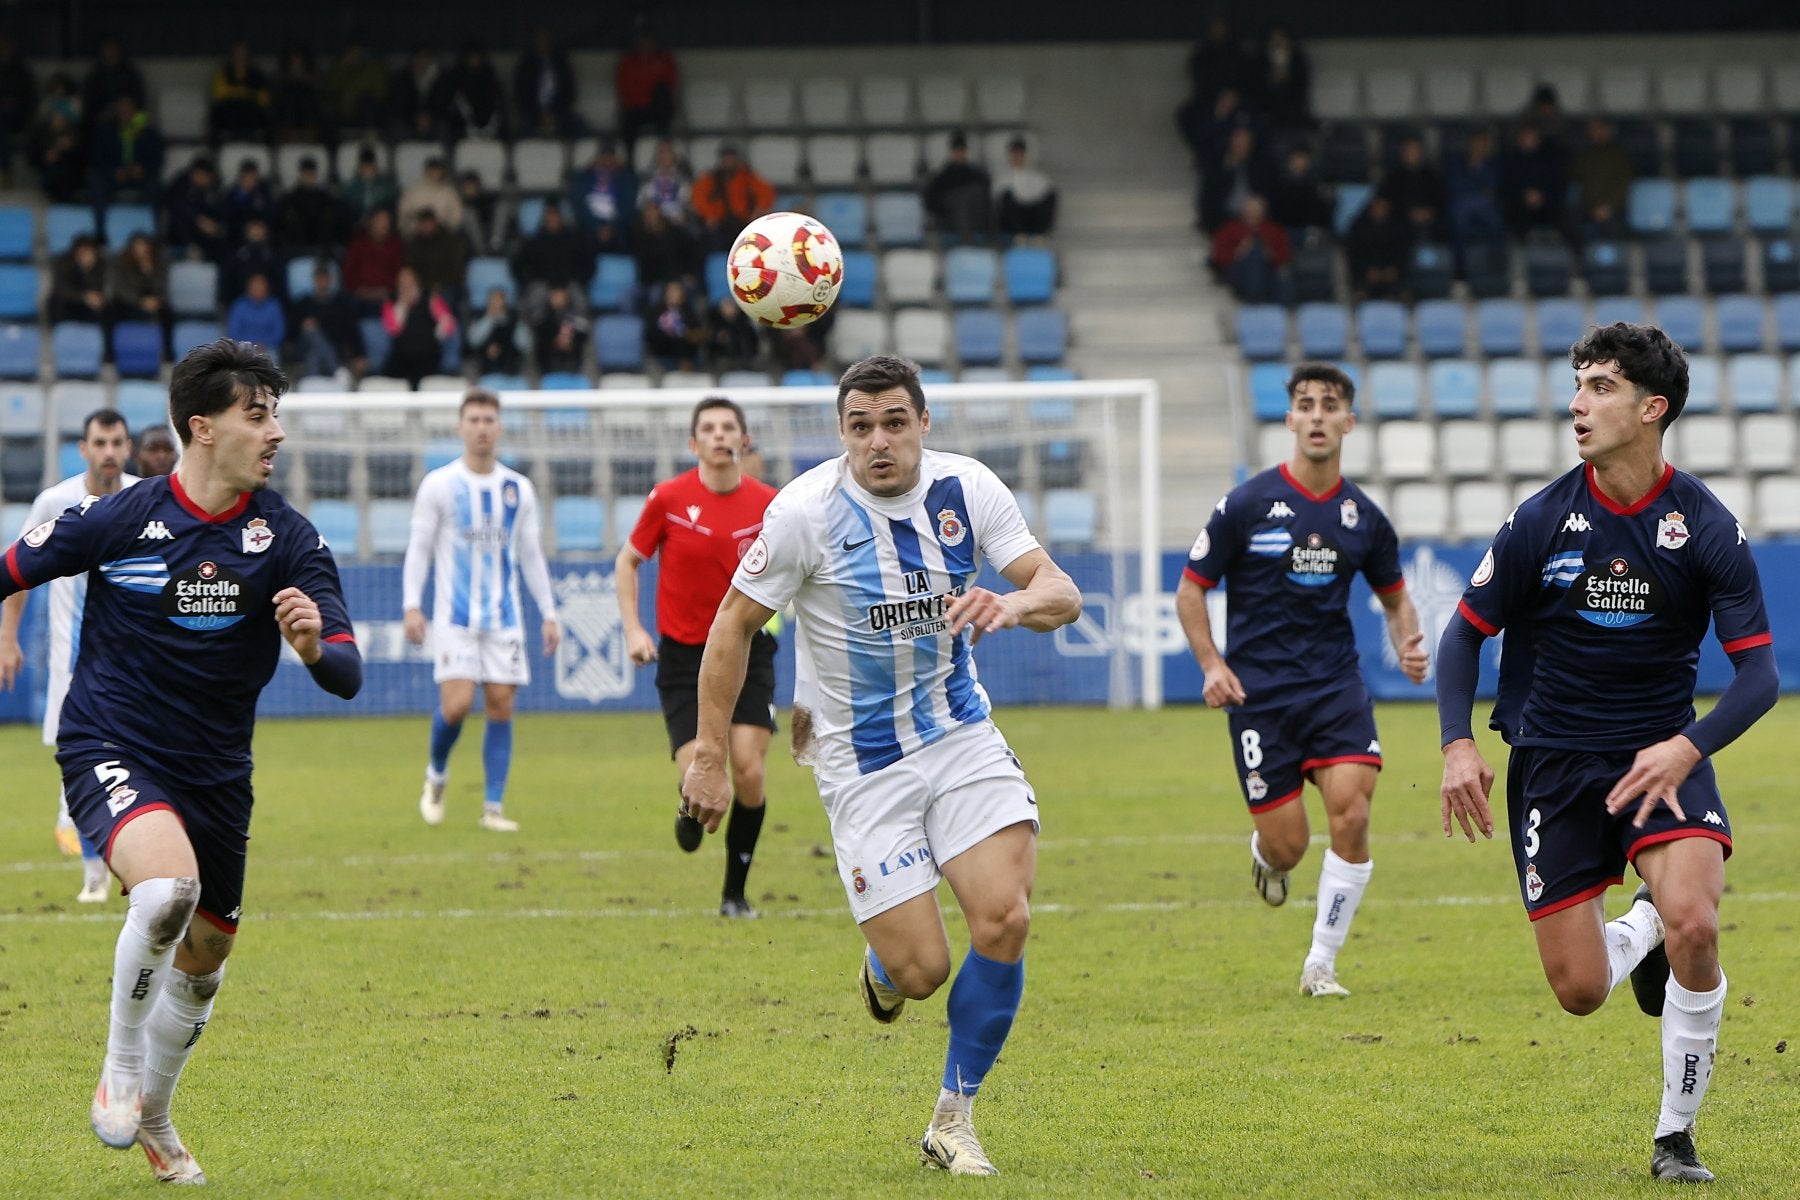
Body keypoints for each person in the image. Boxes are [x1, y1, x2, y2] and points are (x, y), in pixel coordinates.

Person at [681, 355, 1082, 1175]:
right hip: (860, 762)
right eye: (861, 426)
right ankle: (886, 972)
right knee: (923, 969)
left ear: (923, 424)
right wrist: (709, 756)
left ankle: (953, 1119)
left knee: (1003, 917)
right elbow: (731, 627)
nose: (879, 441)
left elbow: (1061, 591)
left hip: (960, 732)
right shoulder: (806, 513)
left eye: (895, 422)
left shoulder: (967, 490)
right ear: (843, 434)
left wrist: (1012, 600)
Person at [0, 338, 362, 1184]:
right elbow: (12, 568)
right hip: (109, 743)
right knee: (166, 892)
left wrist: (312, 646)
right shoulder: (120, 518)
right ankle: (119, 1070)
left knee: (203, 963)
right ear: (202, 427)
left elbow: (346, 673)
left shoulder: (288, 539)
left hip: (216, 775)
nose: (275, 432)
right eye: (257, 414)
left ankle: (157, 1110)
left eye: (276, 414)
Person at [1437, 323, 1778, 1184]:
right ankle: (1639, 927)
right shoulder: (1543, 518)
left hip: (1660, 757)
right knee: (1581, 991)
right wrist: (1454, 746)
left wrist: (1686, 748)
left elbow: (1759, 677)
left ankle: (1674, 1138)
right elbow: (1461, 638)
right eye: (1578, 383)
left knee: (1699, 921)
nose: (1577, 403)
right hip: (1551, 760)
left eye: (1599, 387)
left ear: (1651, 408)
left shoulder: (1704, 527)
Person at [1175, 362, 1428, 998]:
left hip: (1335, 688)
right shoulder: (1247, 504)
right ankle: (1267, 857)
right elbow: (1191, 589)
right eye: (1306, 405)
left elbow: (1397, 601)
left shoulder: (1364, 518)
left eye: (1330, 405)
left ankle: (1321, 962)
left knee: (1353, 812)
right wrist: (1212, 664)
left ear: (1348, 421)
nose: (1317, 415)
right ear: (1289, 419)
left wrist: (1409, 647)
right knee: (1288, 846)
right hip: (1258, 695)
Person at [615, 398, 780, 916]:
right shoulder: (667, 499)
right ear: (694, 444)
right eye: (707, 428)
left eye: (729, 426)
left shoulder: (773, 505)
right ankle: (688, 804)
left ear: (744, 439)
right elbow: (627, 562)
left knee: (749, 771)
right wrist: (634, 629)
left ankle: (735, 895)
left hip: (750, 651)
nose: (718, 434)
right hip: (685, 660)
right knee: (701, 782)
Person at [404, 389, 559, 832]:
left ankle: (493, 807)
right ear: (460, 427)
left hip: (504, 618)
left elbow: (530, 555)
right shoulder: (439, 484)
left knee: (500, 704)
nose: (482, 427)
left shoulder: (517, 489)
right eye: (473, 419)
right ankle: (437, 772)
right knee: (456, 705)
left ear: (500, 427)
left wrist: (549, 612)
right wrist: (412, 606)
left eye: (489, 419)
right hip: (454, 618)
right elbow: (419, 550)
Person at [0, 410, 139, 902]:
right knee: (80, 763)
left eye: (116, 442)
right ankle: (94, 875)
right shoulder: (55, 502)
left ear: (127, 448)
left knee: (136, 761)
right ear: (83, 448)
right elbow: (18, 570)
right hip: (70, 661)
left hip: (134, 664)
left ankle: (131, 863)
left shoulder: (145, 499)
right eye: (99, 442)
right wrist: (8, 637)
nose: (108, 452)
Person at [380, 266, 456, 386]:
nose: (406, 285)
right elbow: (393, 329)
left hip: (428, 354)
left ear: (416, 281)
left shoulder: (431, 298)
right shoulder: (391, 302)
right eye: (402, 282)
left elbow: (448, 324)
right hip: (401, 356)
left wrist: (439, 331)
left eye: (409, 281)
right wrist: (403, 305)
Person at [922, 132, 991, 243]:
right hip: (949, 222)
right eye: (956, 150)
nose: (959, 154)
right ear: (952, 152)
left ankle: (967, 236)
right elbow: (931, 203)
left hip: (973, 222)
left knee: (971, 195)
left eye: (961, 150)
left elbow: (984, 204)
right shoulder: (941, 178)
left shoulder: (976, 176)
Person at [225, 270, 285, 356]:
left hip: (268, 347)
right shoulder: (239, 305)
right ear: (248, 288)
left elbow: (279, 331)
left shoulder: (274, 305)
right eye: (255, 286)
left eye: (261, 286)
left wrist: (264, 344)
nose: (258, 289)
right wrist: (250, 345)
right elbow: (233, 332)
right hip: (243, 348)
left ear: (267, 288)